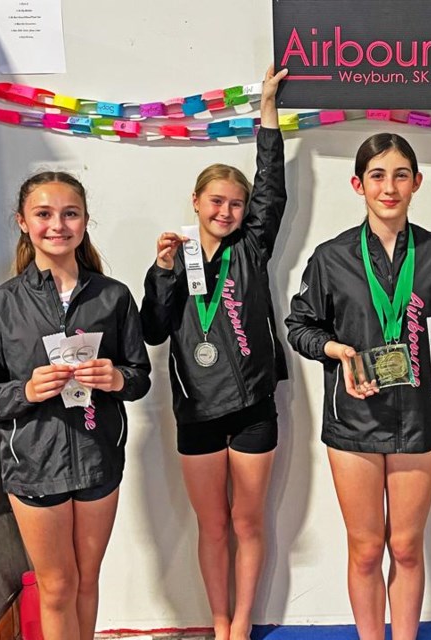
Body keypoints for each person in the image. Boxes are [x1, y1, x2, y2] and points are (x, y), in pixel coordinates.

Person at [285, 132, 431, 640]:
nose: (388, 187)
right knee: (367, 548)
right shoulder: (331, 258)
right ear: (358, 184)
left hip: (420, 416)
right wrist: (336, 350)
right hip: (353, 417)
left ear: (417, 182)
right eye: (377, 175)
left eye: (399, 175)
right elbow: (300, 326)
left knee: (408, 547)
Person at [0, 172, 152, 640]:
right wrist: (24, 392)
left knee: (86, 582)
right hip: (35, 468)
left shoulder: (113, 297)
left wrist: (116, 378)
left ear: (85, 221)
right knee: (56, 586)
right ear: (23, 223)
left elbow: (139, 377)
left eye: (70, 214)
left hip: (97, 459)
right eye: (43, 214)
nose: (58, 225)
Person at [139, 65, 289, 640]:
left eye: (235, 204)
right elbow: (153, 331)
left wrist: (268, 112)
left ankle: (241, 625)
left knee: (248, 521)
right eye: (216, 201)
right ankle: (218, 619)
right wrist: (163, 272)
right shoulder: (174, 256)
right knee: (212, 526)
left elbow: (272, 185)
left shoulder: (252, 245)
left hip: (254, 404)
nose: (225, 212)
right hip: (196, 410)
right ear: (196, 202)